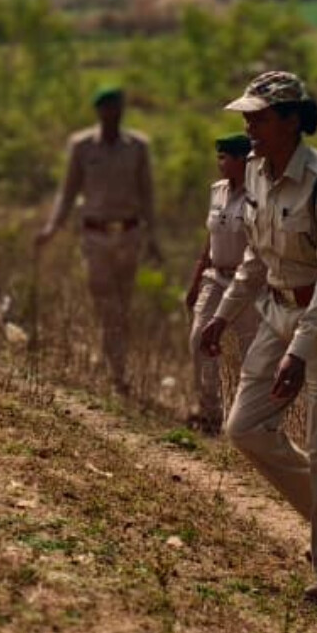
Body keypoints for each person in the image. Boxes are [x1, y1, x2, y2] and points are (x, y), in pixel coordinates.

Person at [198, 66, 317, 612]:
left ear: (293, 121)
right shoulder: (253, 174)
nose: (250, 126)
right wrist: (224, 316)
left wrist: (301, 350)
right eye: (247, 117)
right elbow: (254, 254)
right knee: (244, 427)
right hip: (274, 309)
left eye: (261, 117)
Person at [35, 84, 159, 397]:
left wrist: (154, 237)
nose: (112, 114)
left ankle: (116, 362)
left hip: (128, 233)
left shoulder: (137, 147)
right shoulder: (82, 146)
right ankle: (116, 372)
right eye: (106, 108)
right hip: (95, 235)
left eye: (116, 107)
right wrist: (52, 227)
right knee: (106, 304)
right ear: (99, 112)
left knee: (123, 302)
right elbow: (68, 191)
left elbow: (147, 194)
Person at [185, 133, 258, 433]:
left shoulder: (259, 196)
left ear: (242, 161)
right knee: (198, 340)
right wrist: (196, 278)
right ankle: (209, 413)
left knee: (248, 351)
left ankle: (245, 421)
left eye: (225, 157)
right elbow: (210, 238)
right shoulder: (217, 192)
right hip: (215, 278)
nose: (220, 164)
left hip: (246, 284)